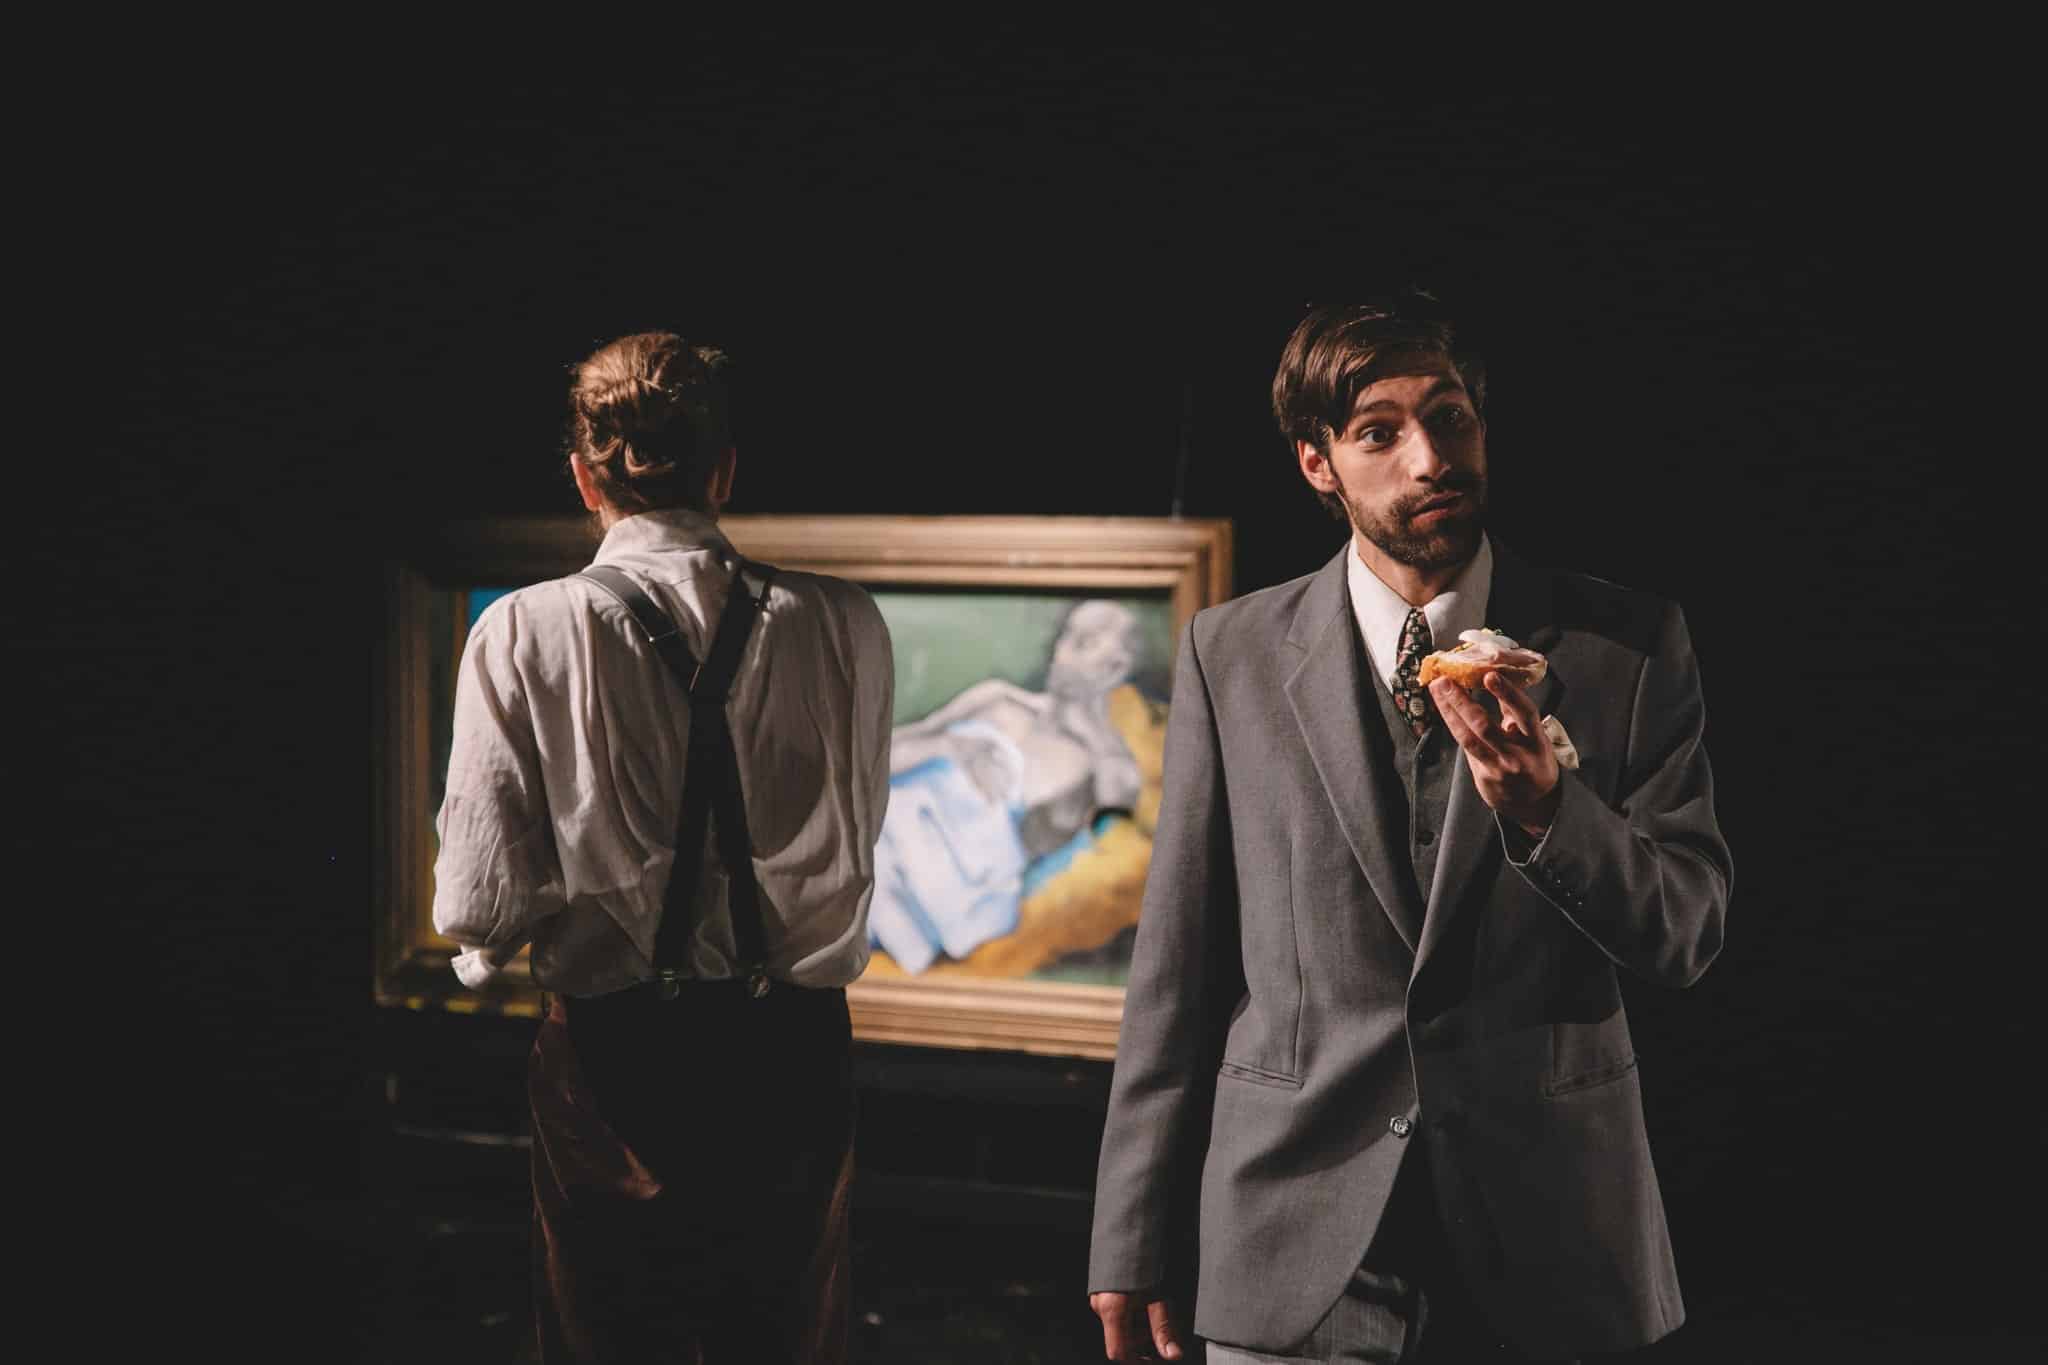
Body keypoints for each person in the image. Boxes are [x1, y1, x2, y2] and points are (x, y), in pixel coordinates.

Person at [1086, 294, 1731, 1363]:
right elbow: (1177, 971)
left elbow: (1687, 932)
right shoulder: (1228, 653)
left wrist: (1548, 813)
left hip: (1553, 1238)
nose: (1430, 458)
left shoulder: (1626, 646)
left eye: (1450, 417)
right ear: (1317, 464)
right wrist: (1129, 1230)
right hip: (1290, 1234)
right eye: (1379, 432)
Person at [431, 331, 894, 1363]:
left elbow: (478, 901)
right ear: (724, 469)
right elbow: (858, 833)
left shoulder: (523, 631)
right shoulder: (844, 622)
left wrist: (488, 946)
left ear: (582, 478)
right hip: (792, 1055)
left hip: (614, 1061)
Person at [869, 598, 1147, 972]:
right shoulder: (998, 699)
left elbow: (1116, 821)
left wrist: (1091, 727)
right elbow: (875, 759)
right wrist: (948, 746)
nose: (1064, 649)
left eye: (1087, 641)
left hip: (947, 893)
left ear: (1116, 668)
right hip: (888, 834)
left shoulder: (1105, 765)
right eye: (1067, 635)